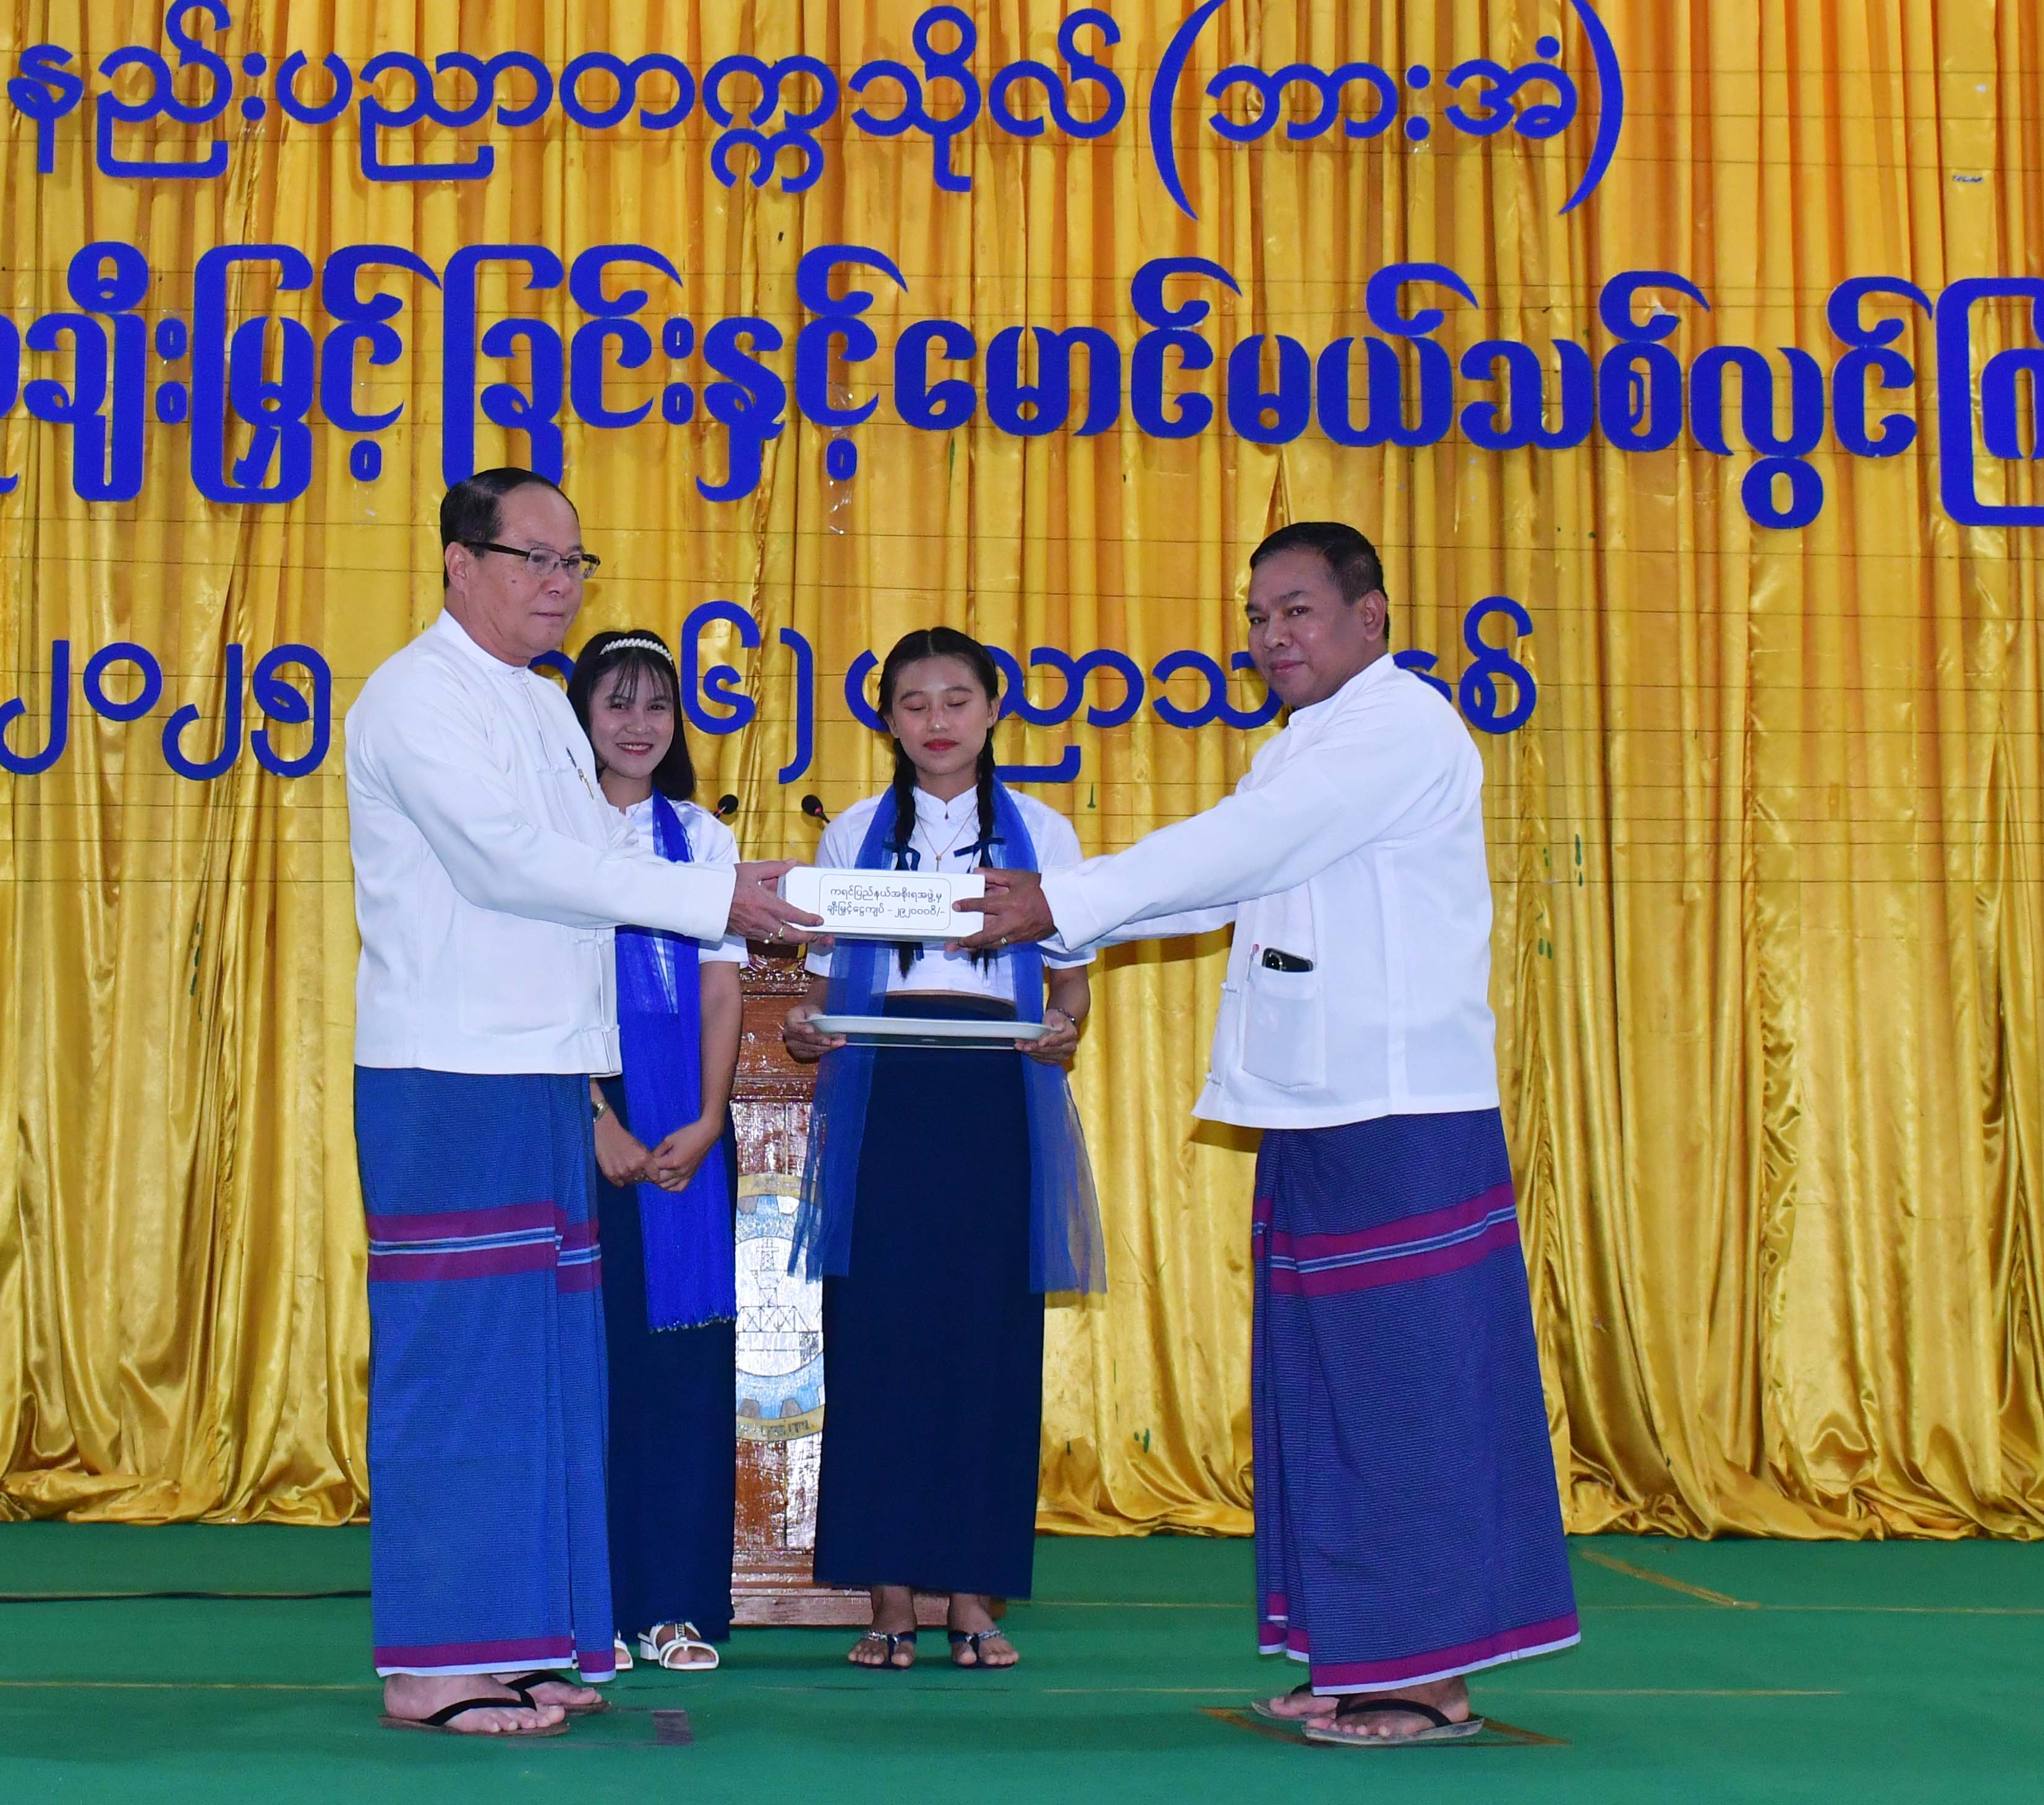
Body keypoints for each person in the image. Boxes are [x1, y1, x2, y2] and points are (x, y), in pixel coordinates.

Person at [971, 523, 1579, 1747]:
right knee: (1327, 1392)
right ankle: (1356, 1653)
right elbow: (1227, 880)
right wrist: (1067, 921)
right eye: (1257, 616)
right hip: (1318, 1103)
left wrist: (1063, 898)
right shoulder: (1305, 743)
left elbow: (1239, 849)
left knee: (1404, 1396)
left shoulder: (1400, 727)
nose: (1271, 635)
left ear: (1372, 616)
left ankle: (1429, 1676)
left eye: (1297, 609)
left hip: (1398, 1109)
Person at [342, 468, 812, 1738]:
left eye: (574, 563)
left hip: (545, 1069)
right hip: (449, 1070)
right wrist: (713, 897)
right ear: (460, 562)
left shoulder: (541, 705)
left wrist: (734, 875)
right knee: (459, 1368)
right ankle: (436, 1662)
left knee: (548, 1378)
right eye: (534, 559)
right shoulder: (417, 697)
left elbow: (602, 857)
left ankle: (531, 1640)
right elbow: (508, 864)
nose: (559, 585)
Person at [780, 628, 1102, 1674]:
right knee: (877, 1334)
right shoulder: (853, 833)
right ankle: (887, 1600)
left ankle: (971, 1594)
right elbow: (820, 992)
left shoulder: (1045, 831)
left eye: (957, 699)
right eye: (913, 703)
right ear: (887, 720)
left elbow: (1071, 984)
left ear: (994, 706)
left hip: (994, 1095)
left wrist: (1067, 1027)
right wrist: (805, 1030)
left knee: (987, 1337)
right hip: (887, 1094)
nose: (937, 721)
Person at [569, 629, 743, 1676]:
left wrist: (711, 1117)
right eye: (617, 704)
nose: (638, 726)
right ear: (582, 716)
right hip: (580, 1103)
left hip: (684, 1112)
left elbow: (720, 987)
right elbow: (539, 981)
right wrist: (596, 1114)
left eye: (657, 706)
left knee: (681, 1367)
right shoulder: (551, 830)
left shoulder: (706, 840)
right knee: (590, 1368)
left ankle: (673, 1606)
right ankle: (590, 1605)